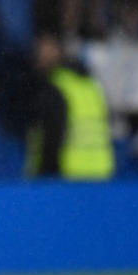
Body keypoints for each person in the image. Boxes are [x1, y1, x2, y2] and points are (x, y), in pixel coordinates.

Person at [25, 32, 115, 180]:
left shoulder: (56, 88)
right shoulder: (88, 83)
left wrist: (43, 176)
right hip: (100, 173)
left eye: (40, 53)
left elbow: (53, 137)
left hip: (67, 176)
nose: (37, 58)